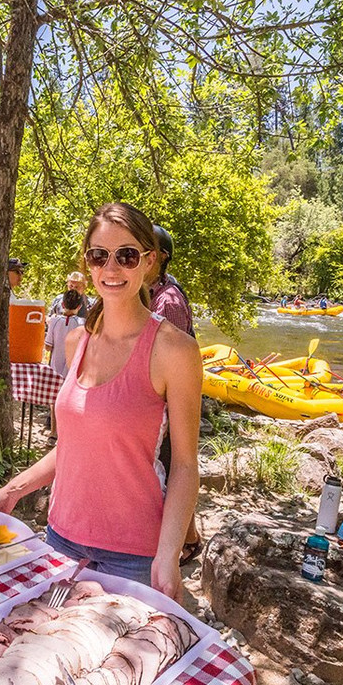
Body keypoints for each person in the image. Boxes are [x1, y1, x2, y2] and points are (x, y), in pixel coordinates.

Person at [0, 202, 202, 600]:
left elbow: (186, 465)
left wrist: (168, 554)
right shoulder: (75, 342)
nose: (111, 268)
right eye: (99, 256)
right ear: (88, 264)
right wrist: (13, 490)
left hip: (134, 557)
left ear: (149, 261)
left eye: (127, 255)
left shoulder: (175, 350)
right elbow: (72, 445)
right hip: (60, 539)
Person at [148, 224, 203, 564]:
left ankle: (187, 541)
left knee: (170, 473)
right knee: (167, 473)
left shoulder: (168, 300)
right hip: (159, 402)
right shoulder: (154, 291)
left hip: (169, 405)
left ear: (162, 257)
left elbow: (175, 362)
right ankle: (190, 538)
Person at [43, 289, 85, 442]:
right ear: (80, 306)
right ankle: (68, 433)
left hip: (55, 366)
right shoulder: (82, 324)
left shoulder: (54, 321)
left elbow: (48, 346)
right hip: (74, 368)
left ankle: (53, 432)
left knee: (54, 401)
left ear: (62, 304)